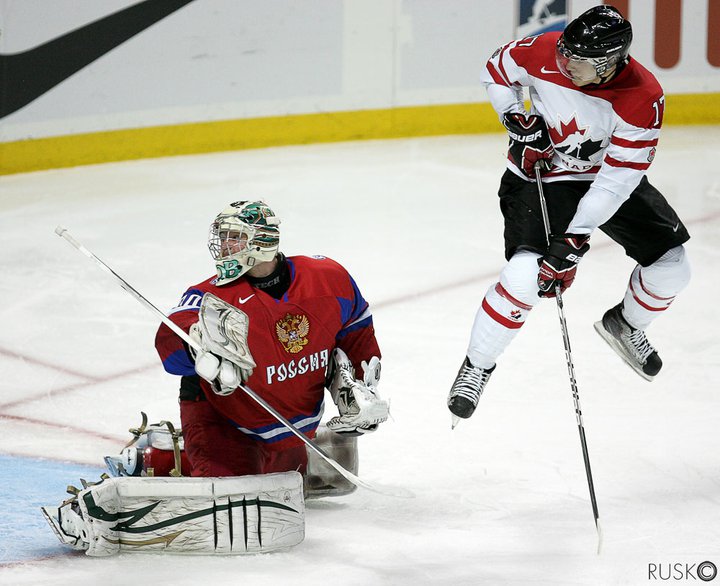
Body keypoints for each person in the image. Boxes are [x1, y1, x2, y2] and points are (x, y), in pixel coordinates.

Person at [447, 5, 691, 423]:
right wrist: (515, 119)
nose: (562, 64)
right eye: (563, 52)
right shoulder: (546, 50)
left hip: (605, 180)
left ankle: (626, 325)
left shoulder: (642, 98)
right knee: (525, 279)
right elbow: (497, 69)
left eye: (574, 61)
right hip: (538, 176)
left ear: (607, 63)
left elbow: (615, 182)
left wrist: (575, 237)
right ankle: (477, 364)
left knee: (672, 268)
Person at [155, 200, 388, 477]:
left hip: (291, 429)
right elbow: (168, 342)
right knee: (236, 503)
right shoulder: (211, 298)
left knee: (284, 493)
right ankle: (159, 458)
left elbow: (356, 331)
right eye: (223, 237)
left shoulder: (327, 278)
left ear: (262, 241)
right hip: (226, 423)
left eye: (235, 237)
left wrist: (361, 389)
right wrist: (196, 341)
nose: (225, 245)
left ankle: (174, 454)